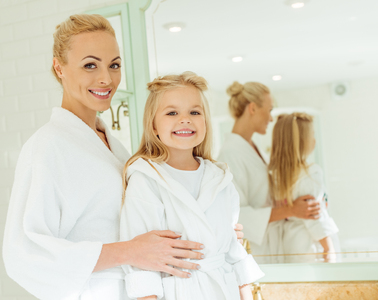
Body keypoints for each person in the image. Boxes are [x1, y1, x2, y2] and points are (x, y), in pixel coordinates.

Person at [2, 14, 243, 300]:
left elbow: (146, 221)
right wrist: (129, 251)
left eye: (114, 65)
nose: (106, 78)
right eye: (90, 65)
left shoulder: (113, 146)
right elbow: (24, 255)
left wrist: (211, 231)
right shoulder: (47, 147)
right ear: (59, 68)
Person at [120, 72, 264, 300]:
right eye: (172, 112)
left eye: (195, 112)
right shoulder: (146, 180)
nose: (185, 119)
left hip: (223, 289)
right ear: (153, 125)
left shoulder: (220, 179)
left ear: (205, 122)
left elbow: (234, 253)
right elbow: (141, 266)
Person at [217, 81, 321, 263]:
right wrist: (290, 209)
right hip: (257, 251)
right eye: (270, 110)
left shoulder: (253, 149)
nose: (271, 118)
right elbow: (237, 216)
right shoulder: (230, 154)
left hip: (275, 243)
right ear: (253, 108)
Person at [268, 113, 338, 263]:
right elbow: (314, 214)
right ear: (301, 142)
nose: (314, 140)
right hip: (312, 247)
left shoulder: (277, 176)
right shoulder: (310, 174)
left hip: (292, 245)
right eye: (311, 135)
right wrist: (329, 248)